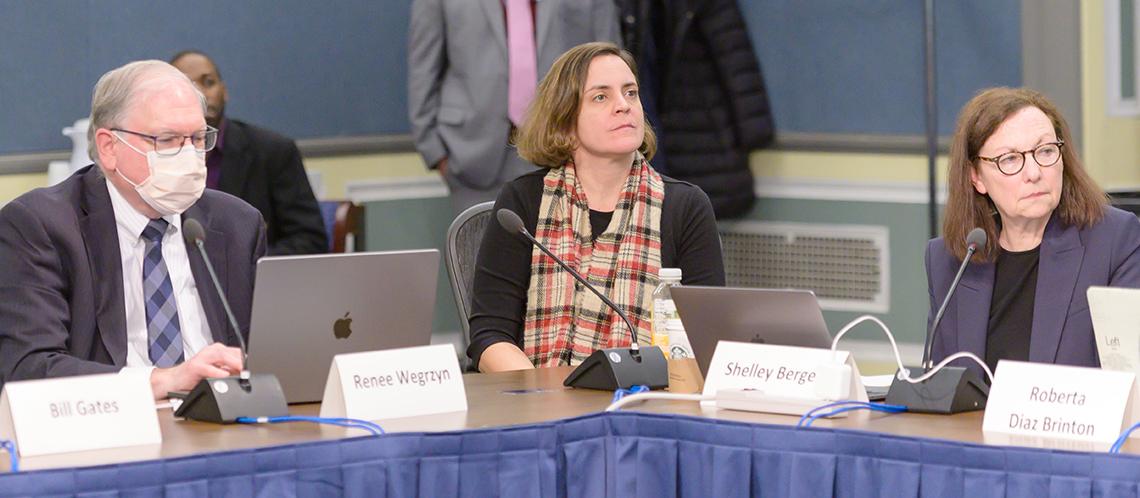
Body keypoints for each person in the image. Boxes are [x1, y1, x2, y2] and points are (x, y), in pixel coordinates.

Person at [0, 60, 266, 399]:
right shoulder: (39, 226)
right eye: (167, 139)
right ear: (110, 147)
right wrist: (163, 381)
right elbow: (28, 369)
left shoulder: (237, 223)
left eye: (198, 138)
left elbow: (268, 354)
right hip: (107, 426)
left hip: (222, 420)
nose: (189, 155)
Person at [467, 42, 726, 372]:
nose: (624, 106)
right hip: (539, 402)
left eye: (630, 93)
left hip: (647, 400)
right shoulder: (522, 203)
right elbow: (490, 336)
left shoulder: (685, 207)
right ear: (564, 121)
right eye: (601, 97)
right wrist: (544, 399)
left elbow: (706, 341)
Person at [929, 87, 1140, 376]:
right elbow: (941, 386)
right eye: (1010, 159)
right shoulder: (950, 259)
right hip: (974, 423)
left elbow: (1127, 380)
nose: (1034, 172)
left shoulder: (1115, 241)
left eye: (1045, 151)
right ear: (976, 177)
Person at [408, 0, 620, 214]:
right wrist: (435, 152)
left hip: (565, 147)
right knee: (479, 245)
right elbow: (423, 69)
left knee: (562, 246)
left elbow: (611, 65)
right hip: (471, 155)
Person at [170, 50, 327, 255]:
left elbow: (310, 241)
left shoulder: (273, 151)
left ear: (224, 91)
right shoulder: (151, 153)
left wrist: (242, 266)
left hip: (252, 280)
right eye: (188, 86)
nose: (200, 93)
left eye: (208, 82)